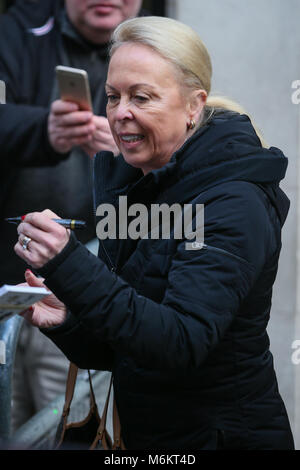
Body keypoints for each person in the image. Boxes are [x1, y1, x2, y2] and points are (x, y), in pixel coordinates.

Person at [15, 16, 294, 450]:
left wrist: (68, 263)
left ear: (192, 107)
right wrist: (67, 320)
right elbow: (131, 346)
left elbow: (178, 344)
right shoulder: (146, 181)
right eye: (112, 96)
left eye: (141, 97)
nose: (120, 112)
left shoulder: (232, 202)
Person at [0, 0, 143, 431]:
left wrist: (128, 153)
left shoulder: (149, 47)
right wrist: (41, 129)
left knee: (66, 419)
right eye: (115, 99)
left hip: (91, 275)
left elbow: (178, 151)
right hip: (11, 268)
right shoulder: (19, 29)